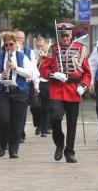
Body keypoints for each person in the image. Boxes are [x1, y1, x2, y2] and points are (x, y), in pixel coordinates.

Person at [39, 23, 91, 163]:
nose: (65, 38)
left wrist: (84, 85)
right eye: (62, 35)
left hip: (74, 90)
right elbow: (43, 70)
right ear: (59, 36)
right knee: (55, 118)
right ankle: (59, 144)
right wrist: (53, 75)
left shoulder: (80, 49)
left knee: (72, 123)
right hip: (57, 90)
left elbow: (87, 72)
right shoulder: (53, 49)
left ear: (71, 35)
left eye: (67, 35)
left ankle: (70, 152)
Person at [0, 31, 37, 159]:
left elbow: (30, 73)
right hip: (1, 92)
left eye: (11, 45)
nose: (8, 48)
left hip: (19, 92)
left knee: (17, 123)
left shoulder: (22, 57)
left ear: (15, 44)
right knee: (3, 119)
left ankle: (13, 149)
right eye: (6, 45)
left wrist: (16, 68)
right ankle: (2, 144)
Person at [15, 29, 39, 142]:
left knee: (30, 108)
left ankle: (21, 131)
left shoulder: (29, 52)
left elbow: (34, 69)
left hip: (27, 84)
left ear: (24, 40)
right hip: (14, 85)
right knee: (19, 111)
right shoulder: (9, 51)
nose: (19, 40)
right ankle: (20, 133)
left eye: (21, 38)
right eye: (17, 38)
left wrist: (36, 85)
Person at [34, 36, 51, 137]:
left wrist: (46, 57)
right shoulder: (33, 53)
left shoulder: (49, 54)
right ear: (36, 45)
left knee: (46, 107)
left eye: (42, 46)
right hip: (36, 83)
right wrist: (39, 59)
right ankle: (38, 124)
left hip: (46, 82)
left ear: (45, 45)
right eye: (38, 46)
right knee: (35, 106)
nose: (40, 48)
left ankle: (44, 129)